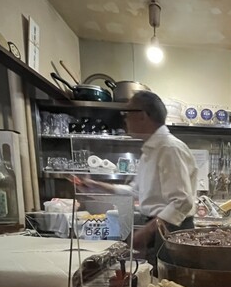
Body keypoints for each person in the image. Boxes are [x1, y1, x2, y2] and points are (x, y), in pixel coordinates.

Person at [75, 91, 197, 267]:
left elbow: (181, 201)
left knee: (169, 280)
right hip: (160, 227)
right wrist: (97, 186)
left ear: (142, 115)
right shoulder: (151, 150)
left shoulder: (169, 148)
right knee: (155, 278)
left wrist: (146, 232)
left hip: (172, 230)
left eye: (127, 113)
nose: (125, 119)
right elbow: (135, 191)